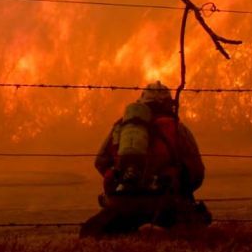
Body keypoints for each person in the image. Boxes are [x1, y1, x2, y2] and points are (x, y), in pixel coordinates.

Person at [80, 81, 211, 237]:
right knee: (199, 222)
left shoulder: (122, 127)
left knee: (92, 231)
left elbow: (100, 162)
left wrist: (121, 177)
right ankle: (159, 231)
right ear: (169, 105)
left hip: (123, 204)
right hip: (164, 204)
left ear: (141, 103)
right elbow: (197, 174)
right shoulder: (177, 128)